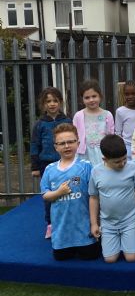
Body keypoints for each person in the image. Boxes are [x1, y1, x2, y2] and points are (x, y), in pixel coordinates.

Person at [40, 124, 100, 261]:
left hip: (84, 232)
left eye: (70, 142)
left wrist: (95, 223)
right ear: (55, 147)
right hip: (61, 234)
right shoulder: (49, 169)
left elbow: (94, 196)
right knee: (61, 258)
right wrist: (58, 192)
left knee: (90, 257)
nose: (67, 146)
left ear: (78, 143)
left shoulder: (86, 166)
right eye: (62, 143)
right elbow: (45, 195)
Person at [89, 135, 135, 263]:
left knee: (131, 258)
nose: (122, 164)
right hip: (108, 222)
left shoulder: (133, 168)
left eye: (124, 159)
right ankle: (121, 241)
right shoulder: (96, 172)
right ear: (105, 159)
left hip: (130, 220)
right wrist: (94, 223)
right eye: (117, 162)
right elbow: (94, 198)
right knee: (110, 259)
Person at [30, 86, 72, 238]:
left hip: (66, 163)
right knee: (50, 195)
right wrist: (35, 167)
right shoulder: (40, 124)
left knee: (69, 192)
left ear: (60, 102)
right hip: (46, 164)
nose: (52, 104)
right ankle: (50, 224)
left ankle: (68, 221)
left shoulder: (67, 121)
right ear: (43, 104)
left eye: (55, 100)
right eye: (48, 101)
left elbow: (73, 140)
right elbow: (34, 145)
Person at [73, 79, 114, 167]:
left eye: (94, 96)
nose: (91, 100)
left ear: (100, 96)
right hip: (84, 153)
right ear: (82, 99)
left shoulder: (107, 115)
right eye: (87, 97)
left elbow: (111, 135)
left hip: (103, 153)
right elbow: (74, 135)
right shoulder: (78, 116)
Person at [115, 80, 135, 159]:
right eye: (127, 94)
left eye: (134, 93)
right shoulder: (120, 111)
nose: (130, 96)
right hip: (127, 147)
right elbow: (118, 133)